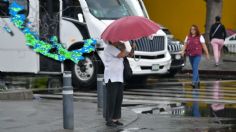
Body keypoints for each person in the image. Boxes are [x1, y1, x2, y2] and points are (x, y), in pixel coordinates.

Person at [103, 41, 134, 127]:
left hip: (119, 77)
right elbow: (121, 55)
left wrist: (132, 48)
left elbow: (129, 55)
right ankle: (109, 120)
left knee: (118, 99)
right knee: (111, 100)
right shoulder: (109, 48)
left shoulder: (117, 48)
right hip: (111, 78)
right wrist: (125, 47)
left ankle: (115, 119)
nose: (119, 41)